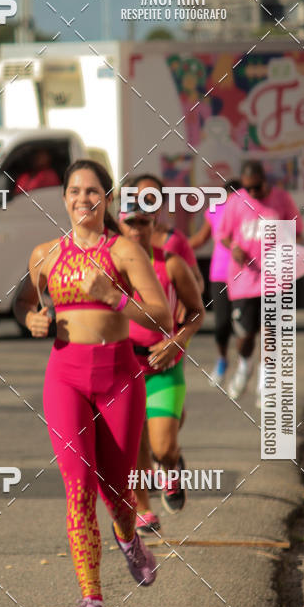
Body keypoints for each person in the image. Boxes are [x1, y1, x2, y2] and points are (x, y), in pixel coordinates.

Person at [14, 159, 173, 607]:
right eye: (75, 191)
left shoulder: (123, 251)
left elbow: (161, 316)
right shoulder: (44, 254)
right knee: (79, 486)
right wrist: (31, 320)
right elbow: (25, 300)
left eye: (93, 192)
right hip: (65, 379)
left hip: (118, 378)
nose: (83, 199)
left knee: (114, 486)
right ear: (63, 198)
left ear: (107, 199)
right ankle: (92, 601)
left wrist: (114, 297)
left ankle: (130, 542)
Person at [120, 199, 204, 528]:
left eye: (144, 222)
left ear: (154, 224)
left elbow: (197, 311)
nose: (137, 229)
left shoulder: (170, 264)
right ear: (119, 226)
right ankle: (143, 509)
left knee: (163, 446)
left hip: (164, 367)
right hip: (126, 367)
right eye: (131, 223)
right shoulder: (110, 266)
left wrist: (178, 340)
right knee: (133, 443)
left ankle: (171, 466)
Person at [218, 161, 302, 403]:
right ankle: (245, 365)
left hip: (274, 278)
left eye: (256, 187)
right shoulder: (236, 202)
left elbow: (297, 231)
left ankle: (265, 382)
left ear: (265, 180)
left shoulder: (282, 199)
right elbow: (223, 235)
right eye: (248, 188)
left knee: (270, 332)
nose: (252, 193)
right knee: (245, 337)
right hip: (243, 279)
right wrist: (234, 247)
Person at [190, 177, 240, 387]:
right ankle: (222, 360)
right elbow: (201, 238)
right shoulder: (215, 211)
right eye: (227, 197)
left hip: (245, 277)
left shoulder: (250, 213)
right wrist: (173, 246)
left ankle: (243, 366)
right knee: (221, 325)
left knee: (244, 326)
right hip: (219, 275)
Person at [127, 173, 205, 295]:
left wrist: (187, 304)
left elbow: (197, 280)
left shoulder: (175, 239)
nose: (148, 201)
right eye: (141, 196)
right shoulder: (121, 236)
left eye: (154, 196)